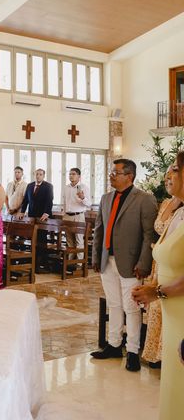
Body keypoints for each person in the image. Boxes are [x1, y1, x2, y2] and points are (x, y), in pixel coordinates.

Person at [91, 159, 157, 372]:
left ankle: (133, 351)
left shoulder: (144, 199)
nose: (111, 175)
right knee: (114, 304)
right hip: (106, 260)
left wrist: (144, 263)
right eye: (111, 172)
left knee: (131, 307)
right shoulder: (106, 198)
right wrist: (95, 257)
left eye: (115, 172)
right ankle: (113, 344)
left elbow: (149, 235)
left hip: (131, 263)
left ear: (129, 176)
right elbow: (98, 230)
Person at [132, 153, 184, 418]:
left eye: (175, 169)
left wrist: (158, 291)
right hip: (172, 309)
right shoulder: (179, 212)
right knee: (174, 385)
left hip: (182, 310)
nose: (169, 174)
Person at [142, 167, 182, 369]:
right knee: (158, 307)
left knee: (167, 306)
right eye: (166, 177)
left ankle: (170, 354)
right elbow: (158, 229)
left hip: (175, 262)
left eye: (173, 175)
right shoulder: (168, 204)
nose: (168, 180)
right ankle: (159, 354)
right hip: (160, 261)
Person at [62, 168, 92, 261]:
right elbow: (64, 202)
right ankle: (70, 261)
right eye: (70, 174)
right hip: (67, 216)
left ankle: (79, 263)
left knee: (79, 239)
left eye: (73, 174)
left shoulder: (84, 187)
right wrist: (63, 214)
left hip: (78, 215)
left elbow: (89, 204)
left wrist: (83, 197)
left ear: (79, 176)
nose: (71, 176)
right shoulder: (66, 187)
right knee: (69, 240)